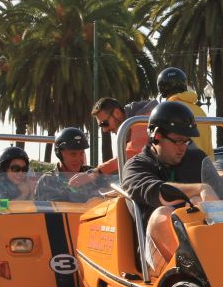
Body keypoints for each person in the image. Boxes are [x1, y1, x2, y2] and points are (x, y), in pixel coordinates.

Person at [121, 101, 209, 275]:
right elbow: (159, 193)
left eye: (186, 141)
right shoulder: (135, 167)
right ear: (156, 136)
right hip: (153, 254)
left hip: (204, 247)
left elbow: (220, 194)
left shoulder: (197, 159)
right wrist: (199, 188)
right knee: (164, 214)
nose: (183, 147)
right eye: (177, 141)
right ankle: (202, 275)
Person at [91, 96, 156, 175]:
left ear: (117, 113)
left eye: (104, 123)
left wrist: (96, 172)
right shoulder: (130, 126)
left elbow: (133, 154)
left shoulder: (142, 118)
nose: (104, 130)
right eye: (101, 126)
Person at [158, 67, 214, 158]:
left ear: (162, 89)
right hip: (204, 167)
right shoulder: (200, 111)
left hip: (181, 167)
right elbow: (209, 148)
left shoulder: (166, 111)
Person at [34, 127, 99, 202]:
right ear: (59, 154)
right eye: (73, 154)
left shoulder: (93, 174)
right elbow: (43, 210)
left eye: (81, 153)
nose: (78, 159)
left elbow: (113, 184)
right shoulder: (47, 181)